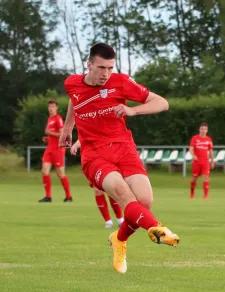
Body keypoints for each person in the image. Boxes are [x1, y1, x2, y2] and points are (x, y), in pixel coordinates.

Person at [60, 42, 179, 274]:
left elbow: (162, 103)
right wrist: (68, 128)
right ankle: (157, 229)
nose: (106, 74)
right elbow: (74, 99)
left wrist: (133, 110)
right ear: (89, 64)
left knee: (144, 201)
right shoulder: (71, 83)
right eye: (101, 68)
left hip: (124, 148)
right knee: (123, 194)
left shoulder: (121, 82)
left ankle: (119, 239)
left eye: (110, 68)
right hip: (94, 154)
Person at [70, 139, 124, 228]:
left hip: (108, 157)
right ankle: (108, 221)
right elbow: (84, 136)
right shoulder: (89, 127)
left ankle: (120, 219)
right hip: (94, 160)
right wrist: (76, 145)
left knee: (111, 188)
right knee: (98, 190)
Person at [39, 100, 73, 203]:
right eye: (49, 106)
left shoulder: (58, 119)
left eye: (53, 106)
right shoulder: (50, 119)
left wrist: (50, 132)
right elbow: (53, 135)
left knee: (60, 173)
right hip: (49, 148)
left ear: (56, 108)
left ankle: (68, 196)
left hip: (58, 149)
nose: (51, 108)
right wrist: (48, 138)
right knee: (45, 171)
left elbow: (62, 134)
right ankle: (48, 196)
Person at [189, 122, 215, 199]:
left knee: (206, 177)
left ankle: (206, 195)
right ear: (199, 129)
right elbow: (191, 149)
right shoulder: (195, 138)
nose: (203, 131)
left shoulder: (209, 139)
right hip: (197, 161)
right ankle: (192, 193)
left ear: (207, 130)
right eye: (202, 129)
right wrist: (193, 155)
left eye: (205, 129)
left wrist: (212, 161)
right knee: (194, 178)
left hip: (205, 161)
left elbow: (210, 151)